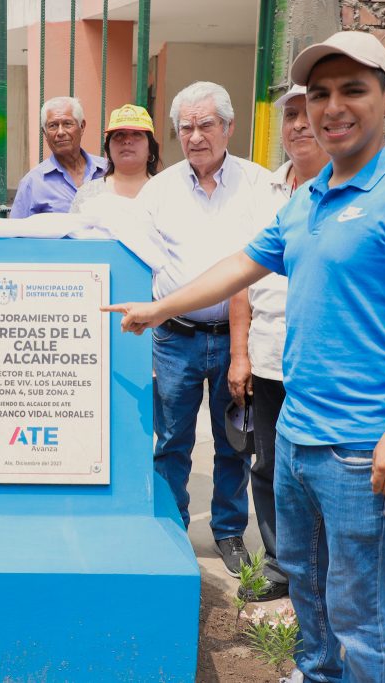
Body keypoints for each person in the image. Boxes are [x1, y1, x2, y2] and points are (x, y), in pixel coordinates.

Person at [105, 32, 385, 683]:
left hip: (363, 444)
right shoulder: (307, 198)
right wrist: (158, 309)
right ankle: (318, 669)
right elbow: (242, 264)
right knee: (307, 580)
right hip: (298, 430)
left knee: (361, 601)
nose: (331, 107)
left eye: (352, 89)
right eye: (318, 94)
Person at [136, 81, 274, 577]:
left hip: (240, 338)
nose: (195, 137)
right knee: (171, 437)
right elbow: (141, 262)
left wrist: (245, 350)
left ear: (229, 128)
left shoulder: (260, 186)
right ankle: (170, 526)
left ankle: (229, 531)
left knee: (233, 441)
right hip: (176, 338)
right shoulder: (159, 191)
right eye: (186, 127)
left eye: (206, 125)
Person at [232, 84, 330, 602]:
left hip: (325, 368)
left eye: (306, 112)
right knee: (269, 466)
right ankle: (280, 563)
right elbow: (241, 278)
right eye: (289, 114)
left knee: (323, 473)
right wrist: (241, 353)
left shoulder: (351, 190)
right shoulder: (260, 192)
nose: (298, 124)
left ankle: (323, 569)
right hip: (269, 359)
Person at [9, 96, 107, 218]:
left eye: (67, 124)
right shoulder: (33, 182)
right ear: (44, 133)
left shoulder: (108, 170)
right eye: (53, 126)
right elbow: (18, 231)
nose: (60, 132)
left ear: (82, 127)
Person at [69, 104, 160, 212]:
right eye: (119, 134)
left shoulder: (165, 192)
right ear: (108, 149)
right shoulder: (88, 194)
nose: (127, 140)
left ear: (150, 148)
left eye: (137, 134)